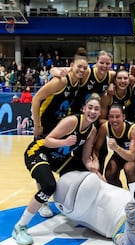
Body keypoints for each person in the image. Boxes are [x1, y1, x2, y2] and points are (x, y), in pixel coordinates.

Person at [12, 94, 102, 245]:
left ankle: (72, 210)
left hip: (58, 158)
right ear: (83, 109)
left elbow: (86, 157)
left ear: (100, 113)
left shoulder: (92, 131)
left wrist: (94, 169)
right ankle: (20, 227)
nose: (93, 111)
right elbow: (47, 141)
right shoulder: (72, 121)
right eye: (90, 108)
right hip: (38, 151)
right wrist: (64, 142)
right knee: (49, 186)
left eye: (96, 109)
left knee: (83, 173)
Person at [30, 48, 89, 218]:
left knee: (60, 158)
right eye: (79, 67)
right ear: (71, 66)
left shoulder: (78, 82)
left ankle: (63, 198)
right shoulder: (61, 81)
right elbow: (36, 99)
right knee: (43, 162)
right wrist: (36, 125)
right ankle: (43, 203)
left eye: (85, 68)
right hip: (44, 126)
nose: (82, 70)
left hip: (57, 126)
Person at [93, 104, 135, 187]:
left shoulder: (133, 129)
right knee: (109, 173)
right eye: (111, 117)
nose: (114, 120)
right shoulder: (105, 127)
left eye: (117, 116)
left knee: (129, 169)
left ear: (123, 117)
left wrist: (116, 148)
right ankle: (120, 195)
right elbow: (96, 148)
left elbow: (131, 156)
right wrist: (95, 160)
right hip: (120, 153)